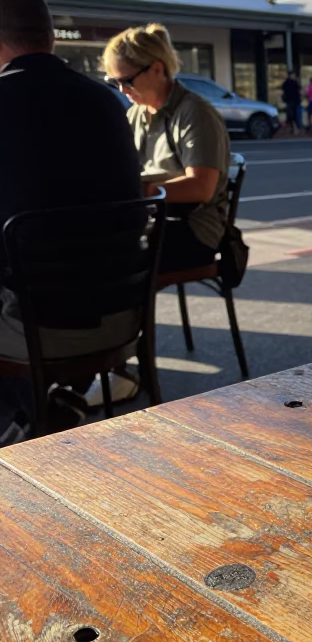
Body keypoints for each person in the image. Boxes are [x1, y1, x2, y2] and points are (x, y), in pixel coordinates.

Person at [0, 0, 142, 445]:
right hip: (121, 315)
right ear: (50, 38)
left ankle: (26, 416)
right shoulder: (108, 103)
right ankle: (49, 403)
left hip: (37, 329)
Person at [94, 22, 231, 405]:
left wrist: (143, 190)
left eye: (127, 80)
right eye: (113, 82)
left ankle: (121, 370)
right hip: (155, 221)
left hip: (195, 229)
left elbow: (201, 187)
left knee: (118, 260)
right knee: (92, 248)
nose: (122, 90)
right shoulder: (137, 114)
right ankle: (97, 360)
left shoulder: (195, 113)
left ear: (157, 68)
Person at [281, 70, 301, 134]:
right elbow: (298, 90)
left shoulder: (286, 83)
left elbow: (283, 89)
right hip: (293, 100)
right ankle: (294, 128)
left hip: (289, 100)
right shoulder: (294, 83)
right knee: (293, 115)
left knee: (290, 115)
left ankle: (292, 128)